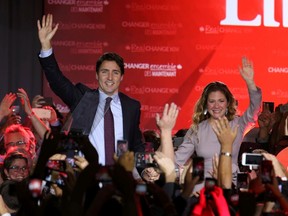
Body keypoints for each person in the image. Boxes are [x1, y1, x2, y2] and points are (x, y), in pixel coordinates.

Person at [37, 14, 144, 165]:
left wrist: (144, 171)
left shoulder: (131, 106)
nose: (109, 77)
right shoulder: (83, 99)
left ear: (121, 77)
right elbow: (57, 81)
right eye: (104, 71)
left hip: (119, 179)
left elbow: (136, 144)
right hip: (86, 176)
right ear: (96, 75)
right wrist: (46, 46)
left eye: (115, 72)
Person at [157, 57, 262, 191]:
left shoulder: (237, 124)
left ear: (228, 103)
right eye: (212, 101)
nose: (216, 106)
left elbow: (255, 109)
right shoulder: (197, 130)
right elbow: (178, 160)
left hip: (229, 185)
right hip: (200, 188)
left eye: (221, 101)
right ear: (206, 104)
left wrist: (250, 83)